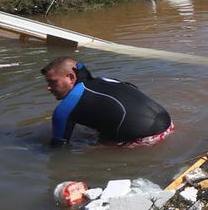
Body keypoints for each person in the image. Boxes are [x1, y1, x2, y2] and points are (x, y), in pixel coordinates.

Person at [41, 57, 173, 146]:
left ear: (71, 78)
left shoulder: (65, 108)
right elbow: (133, 90)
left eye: (53, 82)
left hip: (145, 140)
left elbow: (58, 148)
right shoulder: (105, 80)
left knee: (92, 149)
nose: (48, 88)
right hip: (169, 124)